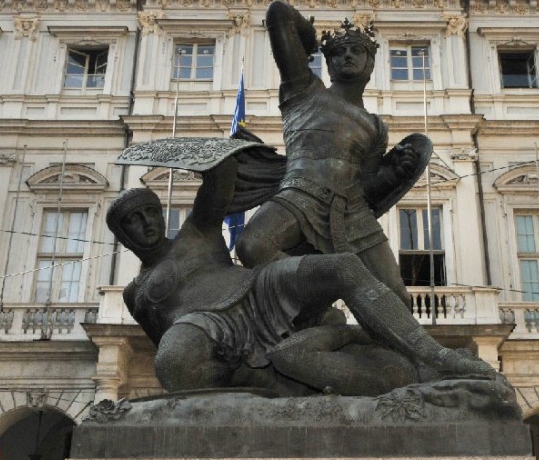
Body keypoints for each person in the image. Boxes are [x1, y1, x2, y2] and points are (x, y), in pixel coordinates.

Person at [106, 150, 497, 396]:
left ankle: (436, 355)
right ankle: (265, 386)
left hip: (259, 289)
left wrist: (182, 152)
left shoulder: (196, 231)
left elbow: (222, 172)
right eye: (132, 221)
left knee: (341, 266)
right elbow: (165, 345)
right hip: (208, 329)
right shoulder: (135, 293)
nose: (145, 224)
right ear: (122, 235)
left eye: (149, 213)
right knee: (175, 361)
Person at [234, 1, 419, 306]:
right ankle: (331, 281)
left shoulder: (376, 126)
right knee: (252, 246)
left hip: (352, 212)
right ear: (329, 63)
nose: (347, 55)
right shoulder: (304, 89)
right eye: (339, 52)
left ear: (370, 63)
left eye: (356, 50)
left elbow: (366, 188)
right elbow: (278, 12)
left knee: (398, 298)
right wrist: (308, 40)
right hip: (298, 195)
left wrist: (395, 174)